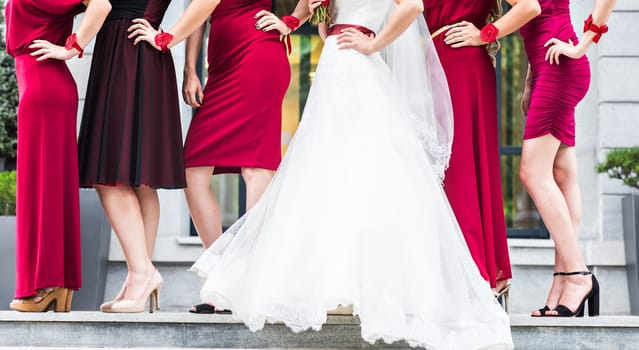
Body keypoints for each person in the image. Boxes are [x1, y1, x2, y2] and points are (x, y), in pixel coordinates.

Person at [154, 0, 512, 347]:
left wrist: (373, 43)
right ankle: (331, 284)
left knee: (362, 167)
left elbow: (413, 7)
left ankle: (366, 284)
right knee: (325, 169)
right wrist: (300, 20)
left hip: (359, 63)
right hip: (334, 64)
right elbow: (324, 26)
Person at [127, 0, 312, 313]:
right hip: (224, 67)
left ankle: (245, 282)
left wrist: (292, 21)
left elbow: (203, 6)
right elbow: (200, 12)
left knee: (255, 169)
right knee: (192, 170)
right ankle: (223, 277)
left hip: (258, 57)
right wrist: (189, 70)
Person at [444, 0, 616, 316]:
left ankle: (578, 275)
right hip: (548, 67)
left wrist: (485, 34)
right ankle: (563, 281)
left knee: (533, 174)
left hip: (559, 66)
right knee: (563, 176)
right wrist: (529, 78)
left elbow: (531, 8)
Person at [77, 0, 187, 313]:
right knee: (140, 179)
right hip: (129, 51)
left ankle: (142, 272)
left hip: (131, 52)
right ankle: (139, 275)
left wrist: (170, 36)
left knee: (109, 173)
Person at [6, 0, 111, 312]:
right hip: (42, 87)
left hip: (44, 87)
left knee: (41, 192)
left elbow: (101, 4)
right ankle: (57, 283)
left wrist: (71, 47)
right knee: (46, 190)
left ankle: (45, 285)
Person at [422, 0, 512, 302]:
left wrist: (486, 33)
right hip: (434, 64)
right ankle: (449, 276)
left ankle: (469, 277)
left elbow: (530, 6)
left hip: (462, 66)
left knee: (460, 170)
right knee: (438, 172)